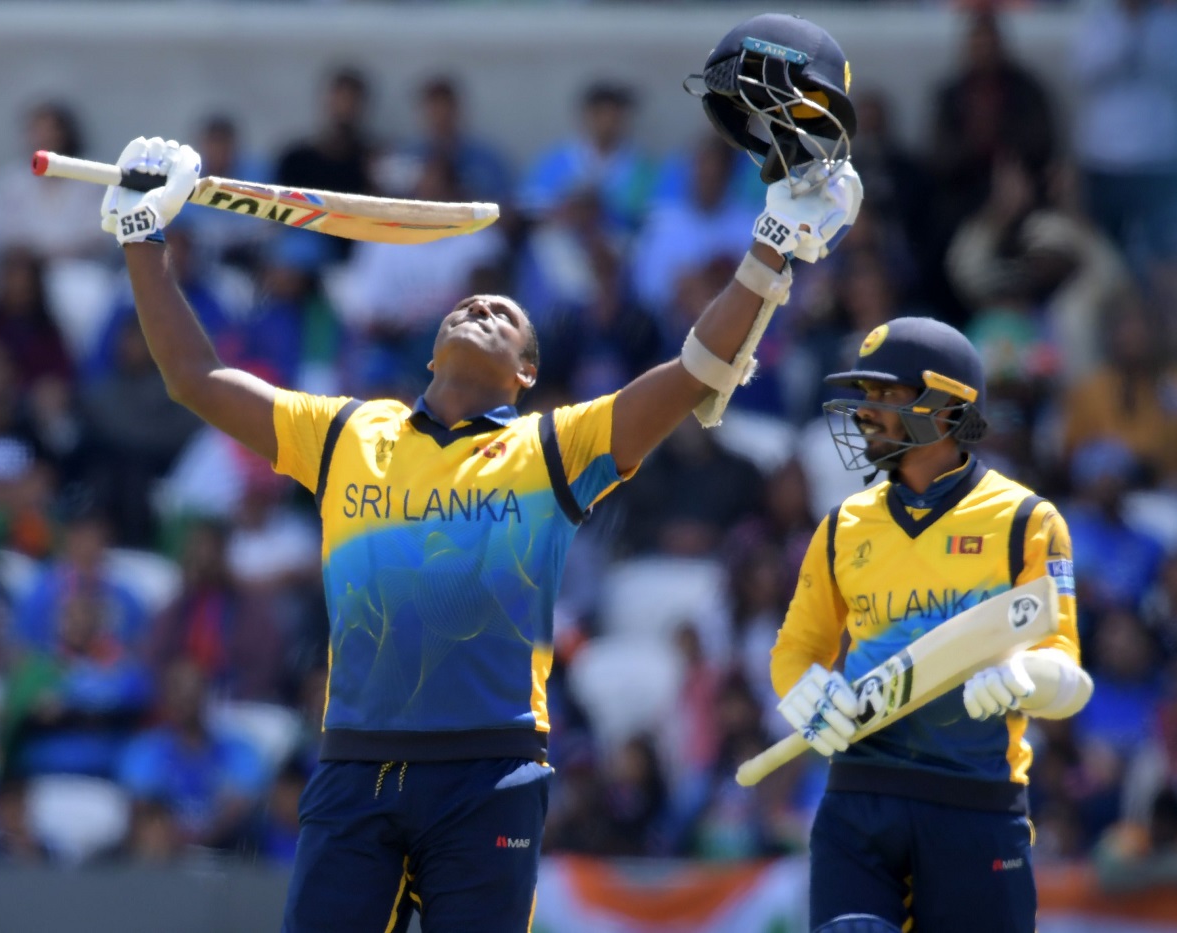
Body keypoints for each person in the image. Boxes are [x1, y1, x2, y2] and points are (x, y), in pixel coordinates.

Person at [95, 13, 859, 929]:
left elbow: (696, 372)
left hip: (490, 769)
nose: (484, 307)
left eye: (507, 316)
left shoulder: (551, 447)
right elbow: (194, 377)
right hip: (355, 763)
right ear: (430, 351)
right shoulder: (348, 432)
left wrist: (771, 246)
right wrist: (142, 235)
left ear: (527, 374)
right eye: (470, 306)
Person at [768, 316, 1094, 932]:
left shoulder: (1026, 520)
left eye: (886, 394)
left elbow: (1065, 666)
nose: (866, 412)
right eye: (864, 394)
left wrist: (1029, 676)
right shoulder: (842, 526)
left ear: (945, 409)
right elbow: (797, 651)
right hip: (858, 801)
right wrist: (804, 691)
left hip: (975, 802)